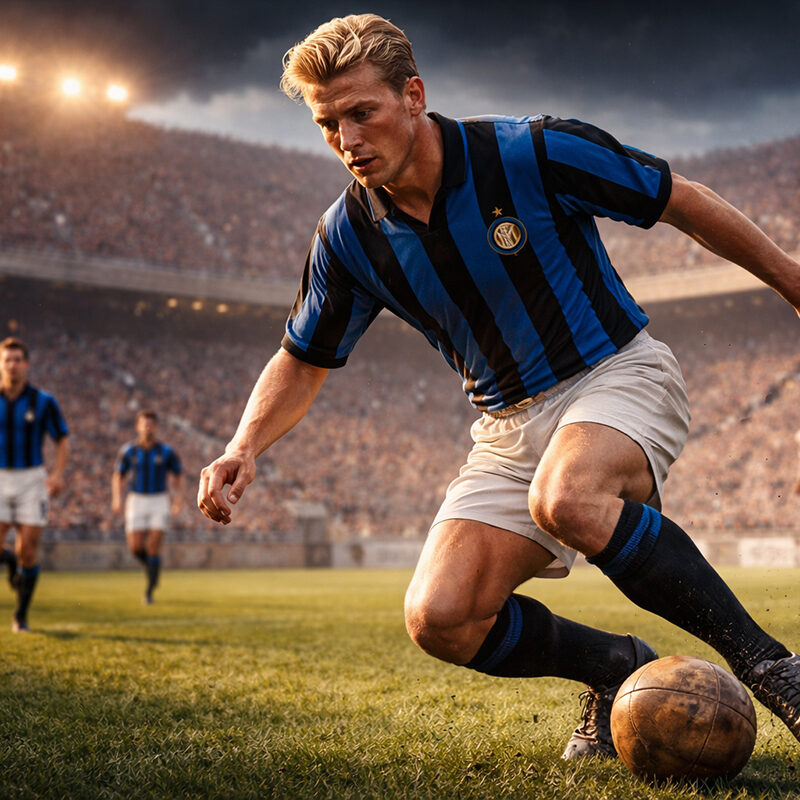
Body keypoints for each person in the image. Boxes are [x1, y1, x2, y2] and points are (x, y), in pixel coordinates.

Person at [197, 13, 800, 757]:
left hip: (615, 372)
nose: (347, 140)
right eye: (328, 124)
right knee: (441, 619)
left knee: (567, 496)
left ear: (413, 95)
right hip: (506, 427)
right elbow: (304, 355)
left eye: (362, 113)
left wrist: (795, 285)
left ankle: (772, 667)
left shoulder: (532, 152)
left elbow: (679, 198)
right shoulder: (348, 236)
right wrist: (244, 444)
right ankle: (617, 669)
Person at [0, 337, 69, 633]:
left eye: (17, 359)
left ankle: (21, 615)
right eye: (7, 359)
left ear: (26, 364)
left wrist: (57, 474)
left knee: (29, 551)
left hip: (32, 479)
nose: (12, 364)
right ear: (0, 364)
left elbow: (62, 439)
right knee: (12, 553)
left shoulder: (43, 401)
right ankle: (13, 565)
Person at [112, 410, 183, 604]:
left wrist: (178, 500)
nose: (147, 427)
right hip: (136, 500)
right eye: (144, 424)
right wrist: (117, 498)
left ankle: (149, 591)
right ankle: (153, 569)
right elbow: (118, 475)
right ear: (138, 426)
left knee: (153, 546)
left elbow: (178, 475)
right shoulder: (129, 451)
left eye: (151, 424)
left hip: (159, 500)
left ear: (156, 427)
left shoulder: (166, 451)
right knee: (135, 548)